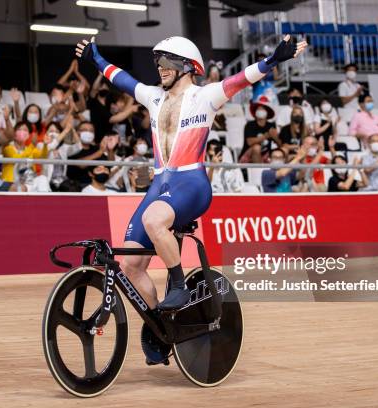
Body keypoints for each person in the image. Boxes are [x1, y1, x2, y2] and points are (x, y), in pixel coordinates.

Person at [75, 34, 306, 315]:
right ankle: (160, 328)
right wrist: (96, 59)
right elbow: (123, 80)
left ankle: (178, 285)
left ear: (187, 65)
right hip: (160, 186)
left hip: (191, 183)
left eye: (165, 61)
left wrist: (273, 60)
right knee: (130, 267)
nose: (159, 67)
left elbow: (241, 79)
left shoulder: (204, 96)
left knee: (152, 219)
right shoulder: (154, 97)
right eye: (156, 62)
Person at [2, 122, 50, 192]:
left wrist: (45, 145)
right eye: (19, 129)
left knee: (43, 178)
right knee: (20, 188)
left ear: (28, 135)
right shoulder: (8, 148)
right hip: (13, 183)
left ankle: (44, 201)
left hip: (29, 182)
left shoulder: (30, 149)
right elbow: (17, 159)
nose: (22, 132)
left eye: (25, 130)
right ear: (14, 134)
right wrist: (32, 145)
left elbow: (43, 157)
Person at [66, 121, 108, 187]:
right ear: (77, 133)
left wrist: (110, 150)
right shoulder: (71, 148)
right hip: (76, 186)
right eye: (84, 130)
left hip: (97, 185)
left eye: (91, 131)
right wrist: (99, 153)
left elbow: (107, 165)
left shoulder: (96, 149)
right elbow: (80, 164)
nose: (88, 133)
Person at [240, 95, 277, 163]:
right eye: (258, 109)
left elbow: (279, 143)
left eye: (262, 109)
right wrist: (265, 136)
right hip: (248, 156)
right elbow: (249, 142)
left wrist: (275, 137)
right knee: (257, 147)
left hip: (266, 156)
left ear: (267, 112)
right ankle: (259, 171)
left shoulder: (271, 126)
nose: (260, 111)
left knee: (277, 154)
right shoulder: (250, 125)